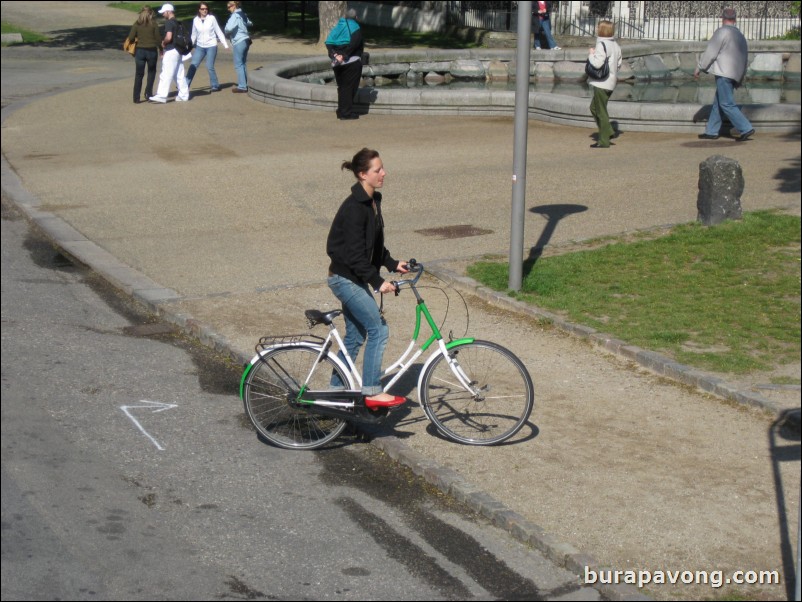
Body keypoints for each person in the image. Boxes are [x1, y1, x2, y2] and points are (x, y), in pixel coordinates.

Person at [326, 148, 409, 409]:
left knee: (354, 336)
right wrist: (377, 282)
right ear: (363, 174)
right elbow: (354, 255)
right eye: (377, 170)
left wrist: (393, 264)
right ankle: (372, 390)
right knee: (378, 330)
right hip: (344, 278)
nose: (384, 173)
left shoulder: (373, 201)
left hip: (353, 276)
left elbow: (373, 246)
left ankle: (336, 394)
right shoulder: (355, 208)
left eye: (382, 168)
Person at [694, 8, 754, 141]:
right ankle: (712, 131)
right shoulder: (740, 36)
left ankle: (746, 128)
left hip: (724, 72)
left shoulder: (722, 32)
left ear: (722, 18)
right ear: (735, 19)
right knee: (718, 102)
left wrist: (700, 67)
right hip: (735, 73)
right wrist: (740, 76)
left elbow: (711, 52)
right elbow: (745, 58)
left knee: (726, 103)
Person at [587, 20, 622, 149]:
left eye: (598, 27)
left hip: (601, 82)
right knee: (595, 108)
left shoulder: (602, 44)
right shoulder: (615, 45)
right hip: (611, 82)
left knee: (600, 111)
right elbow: (618, 64)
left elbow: (597, 64)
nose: (596, 29)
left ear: (601, 30)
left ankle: (604, 141)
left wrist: (591, 55)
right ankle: (608, 131)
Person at [325, 8, 364, 120]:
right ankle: (346, 113)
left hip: (337, 63)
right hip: (350, 62)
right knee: (350, 87)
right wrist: (344, 55)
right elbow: (355, 44)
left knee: (342, 87)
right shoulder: (355, 28)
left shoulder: (338, 26)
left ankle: (341, 110)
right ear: (356, 18)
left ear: (345, 17)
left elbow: (328, 42)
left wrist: (335, 55)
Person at [149, 4, 190, 103]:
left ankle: (162, 95)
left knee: (166, 73)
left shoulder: (169, 23)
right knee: (179, 74)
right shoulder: (178, 22)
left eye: (164, 12)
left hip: (171, 50)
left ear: (169, 11)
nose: (163, 14)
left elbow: (169, 37)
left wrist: (163, 42)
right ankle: (184, 95)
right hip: (179, 50)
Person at [185, 2, 228, 92]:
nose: (204, 10)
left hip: (211, 45)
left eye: (206, 9)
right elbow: (193, 35)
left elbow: (218, 31)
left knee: (209, 65)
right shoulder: (195, 20)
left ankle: (215, 85)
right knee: (193, 65)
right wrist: (189, 46)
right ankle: (185, 85)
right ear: (199, 10)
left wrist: (225, 44)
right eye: (202, 9)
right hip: (200, 46)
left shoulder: (211, 18)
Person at [126, 6, 162, 103]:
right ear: (151, 14)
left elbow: (131, 37)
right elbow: (158, 39)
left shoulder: (137, 24)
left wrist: (137, 39)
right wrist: (161, 49)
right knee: (151, 72)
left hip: (140, 51)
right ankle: (148, 93)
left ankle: (136, 97)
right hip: (152, 51)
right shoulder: (153, 24)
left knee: (139, 74)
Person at [224, 1, 253, 93]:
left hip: (239, 41)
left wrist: (227, 32)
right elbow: (250, 23)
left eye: (229, 7)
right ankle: (245, 83)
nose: (228, 9)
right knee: (243, 63)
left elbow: (228, 28)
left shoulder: (235, 16)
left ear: (234, 6)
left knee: (238, 64)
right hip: (246, 40)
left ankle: (242, 86)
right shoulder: (243, 14)